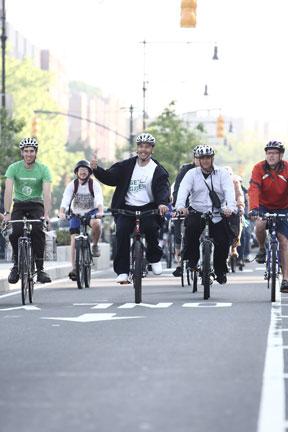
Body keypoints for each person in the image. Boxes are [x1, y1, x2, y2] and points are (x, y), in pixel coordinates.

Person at [90, 132, 170, 283]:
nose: (143, 150)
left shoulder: (157, 169)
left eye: (147, 147)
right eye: (140, 146)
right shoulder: (127, 165)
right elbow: (111, 177)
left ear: (152, 149)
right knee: (121, 232)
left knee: (151, 228)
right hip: (126, 208)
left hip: (148, 208)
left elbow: (163, 188)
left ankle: (154, 259)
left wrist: (162, 203)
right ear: (137, 148)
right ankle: (123, 271)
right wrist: (97, 170)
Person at [175, 144, 237, 285]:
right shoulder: (191, 174)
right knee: (190, 231)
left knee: (223, 240)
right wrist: (180, 206)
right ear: (197, 159)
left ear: (212, 158)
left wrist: (229, 208)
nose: (205, 160)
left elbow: (229, 192)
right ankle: (193, 261)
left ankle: (220, 270)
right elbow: (183, 190)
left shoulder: (222, 173)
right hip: (197, 211)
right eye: (202, 158)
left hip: (217, 212)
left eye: (208, 157)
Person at [3, 137, 52, 284]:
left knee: (38, 231)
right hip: (19, 205)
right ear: (22, 152)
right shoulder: (13, 168)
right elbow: (8, 191)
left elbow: (47, 192)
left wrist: (47, 214)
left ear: (36, 153)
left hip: (36, 204)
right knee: (16, 232)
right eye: (26, 151)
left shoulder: (43, 169)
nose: (29, 154)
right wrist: (7, 213)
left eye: (31, 151)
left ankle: (40, 269)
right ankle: (16, 266)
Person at [248, 140, 288, 292]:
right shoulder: (259, 168)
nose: (271, 156)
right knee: (259, 224)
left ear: (280, 155)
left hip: (284, 207)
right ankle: (261, 249)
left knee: (284, 241)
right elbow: (253, 189)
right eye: (268, 153)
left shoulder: (287, 168)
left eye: (274, 153)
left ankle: (285, 279)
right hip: (263, 206)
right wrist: (254, 209)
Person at [59, 160, 104, 281]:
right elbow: (66, 199)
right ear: (76, 172)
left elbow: (99, 198)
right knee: (74, 239)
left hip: (91, 212)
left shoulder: (93, 184)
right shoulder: (72, 185)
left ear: (89, 172)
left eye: (85, 171)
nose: (83, 173)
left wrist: (100, 211)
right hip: (76, 214)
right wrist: (61, 212)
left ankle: (94, 245)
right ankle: (74, 268)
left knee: (97, 224)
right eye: (80, 171)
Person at [171, 145, 201, 277]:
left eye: (204, 158)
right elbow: (178, 188)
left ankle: (207, 260)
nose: (201, 161)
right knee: (178, 228)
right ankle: (178, 263)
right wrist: (179, 206)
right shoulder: (186, 170)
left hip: (201, 206)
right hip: (185, 204)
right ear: (194, 159)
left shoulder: (211, 171)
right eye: (198, 158)